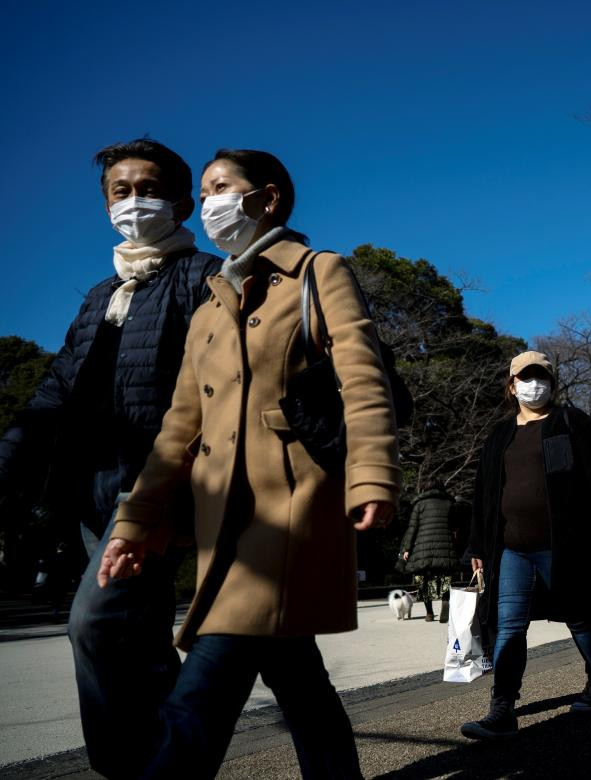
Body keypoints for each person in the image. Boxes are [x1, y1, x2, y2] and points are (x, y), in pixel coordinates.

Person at [98, 148, 400, 779]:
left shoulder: (321, 271)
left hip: (289, 504)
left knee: (204, 686)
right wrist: (135, 523)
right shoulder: (208, 306)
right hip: (219, 515)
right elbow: (177, 430)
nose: (208, 202)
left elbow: (363, 378)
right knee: (297, 677)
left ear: (265, 198)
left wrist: (371, 475)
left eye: (220, 187)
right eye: (205, 190)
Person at [0, 138, 221, 778]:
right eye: (119, 192)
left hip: (154, 487)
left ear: (181, 202)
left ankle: (130, 768)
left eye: (147, 189)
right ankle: (169, 761)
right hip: (89, 490)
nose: (132, 203)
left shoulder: (202, 276)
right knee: (138, 642)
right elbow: (54, 390)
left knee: (94, 625)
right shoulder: (100, 296)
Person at [460, 351, 591, 740]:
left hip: (564, 544)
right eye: (525, 378)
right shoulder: (499, 435)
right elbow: (484, 494)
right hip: (510, 548)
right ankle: (502, 708)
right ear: (512, 386)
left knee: (577, 615)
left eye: (541, 377)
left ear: (552, 383)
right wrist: (477, 544)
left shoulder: (570, 422)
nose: (534, 384)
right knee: (508, 625)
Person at [402, 481, 461, 622]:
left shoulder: (419, 504)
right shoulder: (449, 504)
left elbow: (412, 528)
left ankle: (429, 613)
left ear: (425, 489)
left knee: (424, 580)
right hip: (445, 546)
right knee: (445, 578)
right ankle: (445, 601)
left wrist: (407, 548)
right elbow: (455, 528)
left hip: (423, 548)